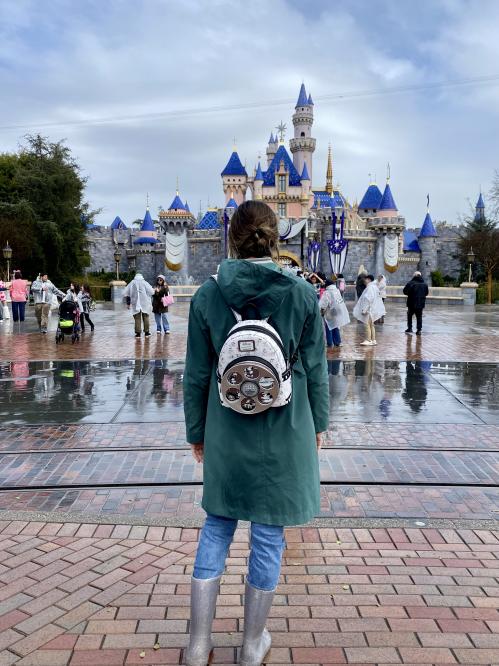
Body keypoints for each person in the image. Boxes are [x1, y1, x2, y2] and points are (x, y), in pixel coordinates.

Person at [183, 200, 328, 666]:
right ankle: (251, 646)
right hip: (284, 431)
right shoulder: (302, 293)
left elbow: (197, 375)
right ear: (276, 236)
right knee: (268, 535)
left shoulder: (207, 295)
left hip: (226, 428)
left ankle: (199, 643)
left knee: (217, 525)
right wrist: (319, 425)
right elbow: (318, 371)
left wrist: (197, 432)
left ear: (232, 238)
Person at [353, 274, 386, 346]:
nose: (364, 281)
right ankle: (373, 339)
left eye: (365, 279)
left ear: (369, 280)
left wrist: (364, 309)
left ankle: (368, 339)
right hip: (372, 309)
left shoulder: (370, 288)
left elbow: (368, 299)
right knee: (372, 325)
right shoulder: (374, 287)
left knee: (367, 324)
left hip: (369, 310)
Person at [319, 280, 350, 348]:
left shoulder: (327, 292)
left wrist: (321, 310)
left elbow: (324, 303)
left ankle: (330, 343)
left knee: (329, 326)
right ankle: (337, 342)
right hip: (337, 311)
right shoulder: (337, 290)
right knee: (335, 325)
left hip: (329, 311)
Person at [123, 272, 154, 337]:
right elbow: (151, 291)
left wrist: (128, 303)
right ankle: (147, 332)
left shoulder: (132, 283)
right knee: (145, 316)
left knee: (137, 318)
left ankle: (138, 333)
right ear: (142, 277)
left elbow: (126, 293)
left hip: (135, 302)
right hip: (144, 302)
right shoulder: (144, 282)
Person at [403, 271, 429, 335]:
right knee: (419, 316)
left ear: (414, 276)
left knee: (409, 315)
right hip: (421, 303)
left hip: (411, 303)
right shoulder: (425, 284)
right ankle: (419, 330)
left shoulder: (410, 283)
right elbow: (426, 293)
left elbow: (405, 291)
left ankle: (410, 328)